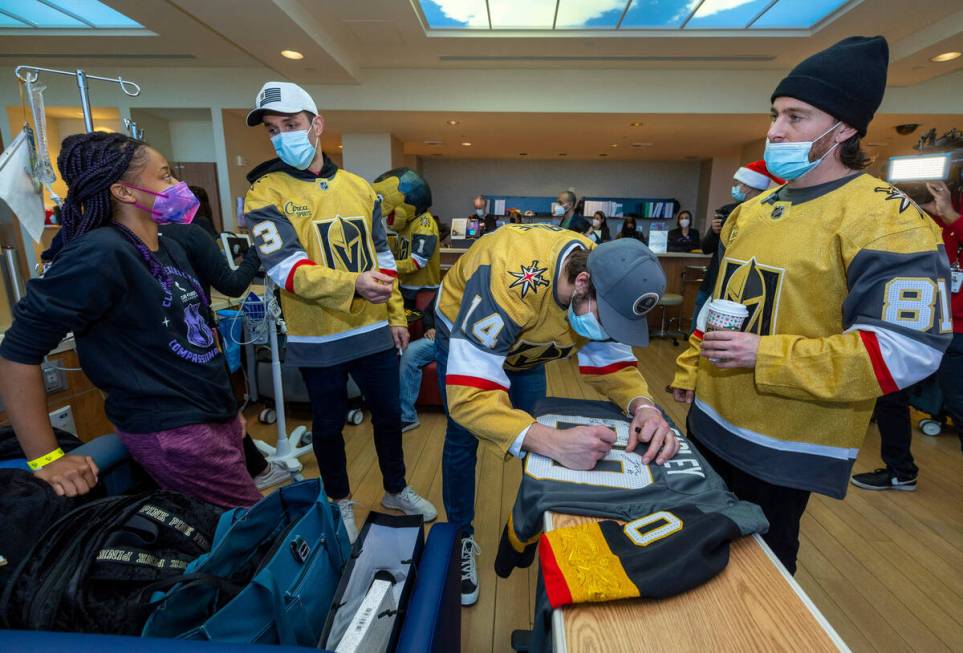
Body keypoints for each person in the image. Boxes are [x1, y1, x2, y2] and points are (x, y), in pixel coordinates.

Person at [670, 36, 951, 574]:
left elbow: (906, 350)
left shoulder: (888, 220)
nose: (775, 131)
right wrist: (691, 364)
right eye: (775, 115)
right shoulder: (751, 212)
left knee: (762, 574)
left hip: (788, 440)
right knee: (698, 554)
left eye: (795, 117)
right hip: (709, 420)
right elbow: (720, 304)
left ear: (842, 128)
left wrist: (766, 356)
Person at [0, 132, 261, 508]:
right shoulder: (100, 254)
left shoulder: (170, 245)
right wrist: (46, 459)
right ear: (124, 192)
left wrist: (228, 412)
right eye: (166, 176)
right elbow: (16, 354)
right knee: (254, 529)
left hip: (211, 417)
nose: (179, 186)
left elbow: (196, 337)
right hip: (172, 430)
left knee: (233, 530)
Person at [435, 224, 680, 606]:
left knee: (539, 437)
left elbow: (611, 363)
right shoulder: (506, 279)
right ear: (581, 282)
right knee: (465, 435)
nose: (606, 332)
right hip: (467, 327)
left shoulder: (608, 277)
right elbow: (469, 398)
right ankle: (459, 536)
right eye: (606, 321)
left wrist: (644, 406)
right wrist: (551, 441)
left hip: (532, 343)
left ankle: (526, 527)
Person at [244, 81, 436, 541]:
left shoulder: (360, 189)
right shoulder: (263, 194)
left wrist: (394, 313)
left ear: (317, 124)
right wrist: (354, 284)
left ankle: (395, 488)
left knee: (389, 416)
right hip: (317, 336)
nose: (282, 136)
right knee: (327, 427)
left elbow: (382, 256)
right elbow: (287, 268)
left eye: (291, 125)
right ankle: (339, 502)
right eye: (273, 129)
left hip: (371, 329)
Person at [852, 180, 963, 490]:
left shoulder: (951, 217)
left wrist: (951, 215)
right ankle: (900, 471)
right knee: (890, 397)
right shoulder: (923, 224)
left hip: (960, 331)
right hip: (921, 322)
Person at [693, 161, 784, 329]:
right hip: (713, 282)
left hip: (748, 288)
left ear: (747, 187)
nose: (735, 188)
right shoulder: (728, 211)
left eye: (738, 184)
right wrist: (713, 232)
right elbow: (706, 248)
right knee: (700, 329)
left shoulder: (770, 212)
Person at [373, 167, 441, 304]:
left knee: (419, 324)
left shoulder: (424, 225)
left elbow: (416, 263)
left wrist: (383, 266)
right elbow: (399, 245)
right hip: (406, 284)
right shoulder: (408, 222)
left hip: (422, 288)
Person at [398, 293, 437, 432]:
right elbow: (428, 312)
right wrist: (429, 327)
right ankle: (408, 417)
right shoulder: (448, 285)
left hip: (469, 343)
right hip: (439, 339)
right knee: (409, 353)